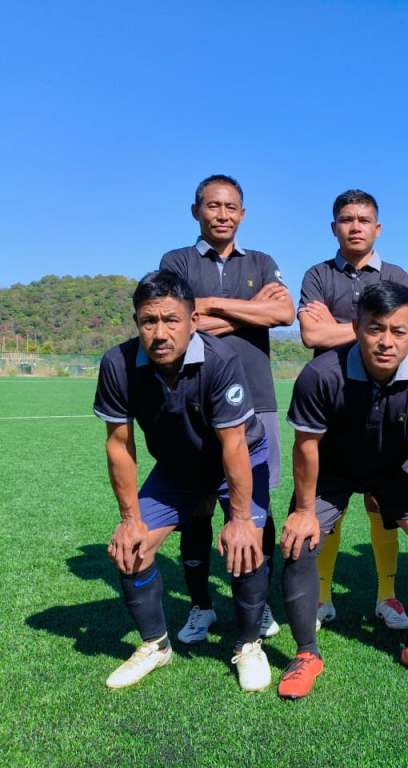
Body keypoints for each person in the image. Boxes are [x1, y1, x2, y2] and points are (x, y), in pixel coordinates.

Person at [95, 271, 273, 691]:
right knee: (132, 548)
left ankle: (249, 645)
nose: (160, 333)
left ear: (193, 321)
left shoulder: (221, 359)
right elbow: (119, 445)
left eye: (171, 320)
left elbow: (234, 444)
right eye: (148, 321)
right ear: (136, 322)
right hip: (177, 466)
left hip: (238, 456)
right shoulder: (117, 364)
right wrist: (129, 519)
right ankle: (156, 645)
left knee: (245, 543)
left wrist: (241, 520)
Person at [280, 281, 408, 694]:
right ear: (356, 326)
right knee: (299, 542)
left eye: (398, 331)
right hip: (332, 470)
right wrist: (304, 512)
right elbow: (306, 447)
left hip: (392, 468)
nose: (386, 341)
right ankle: (306, 653)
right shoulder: (321, 374)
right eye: (375, 328)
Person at [160, 174, 294, 644]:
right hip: (193, 399)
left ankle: (258, 605)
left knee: (258, 506)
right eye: (213, 206)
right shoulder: (176, 261)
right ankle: (201, 605)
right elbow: (179, 321)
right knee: (197, 506)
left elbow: (283, 314)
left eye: (231, 207)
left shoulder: (262, 261)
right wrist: (249, 310)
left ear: (243, 213)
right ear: (195, 210)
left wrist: (213, 305)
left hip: (257, 398)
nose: (222, 214)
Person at [297, 189, 408, 632]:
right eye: (347, 219)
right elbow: (311, 336)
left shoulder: (397, 274)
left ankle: (387, 596)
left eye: (364, 220)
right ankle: (323, 597)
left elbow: (403, 335)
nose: (355, 226)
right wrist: (367, 332)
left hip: (386, 399)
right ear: (334, 227)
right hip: (334, 401)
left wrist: (340, 328)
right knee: (331, 499)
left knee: (380, 499)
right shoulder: (318, 274)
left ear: (377, 228)